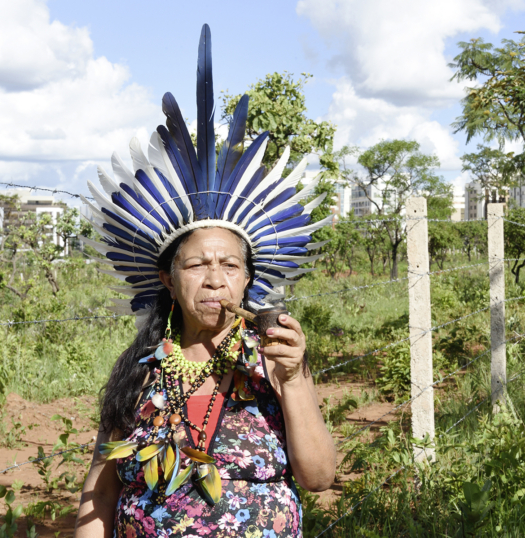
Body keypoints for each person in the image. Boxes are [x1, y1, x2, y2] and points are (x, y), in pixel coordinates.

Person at [73, 24, 335, 538]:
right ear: (169, 282)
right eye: (196, 266)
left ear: (247, 282)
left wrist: (295, 376)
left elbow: (320, 476)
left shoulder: (273, 360)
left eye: (230, 266)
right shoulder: (142, 373)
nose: (215, 279)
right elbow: (101, 492)